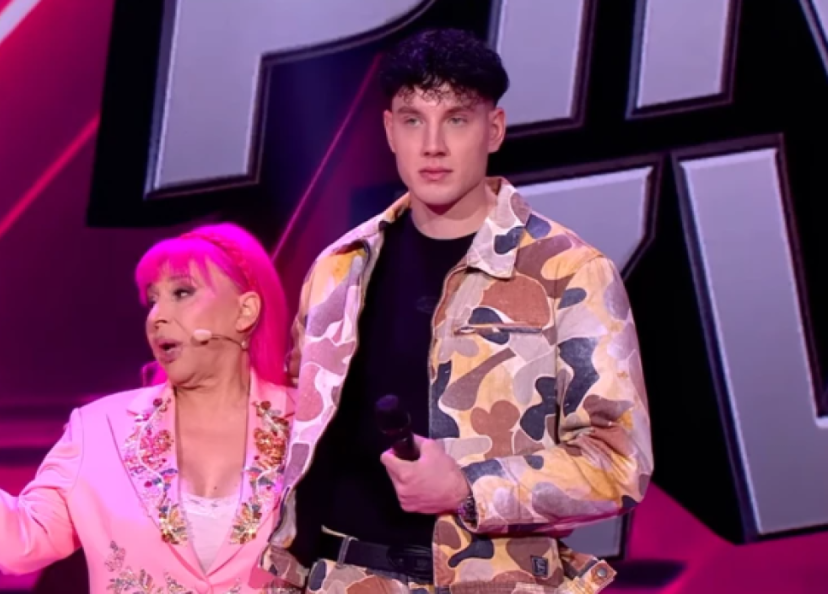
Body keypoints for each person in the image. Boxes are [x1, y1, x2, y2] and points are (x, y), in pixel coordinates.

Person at [258, 29, 654, 594]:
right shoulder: (339, 269)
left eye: (457, 120)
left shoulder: (568, 272)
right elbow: (300, 430)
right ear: (390, 131)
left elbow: (618, 463)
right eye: (413, 120)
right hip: (343, 579)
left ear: (494, 129)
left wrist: (469, 486)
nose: (433, 145)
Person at [0, 223, 297, 594]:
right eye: (152, 300)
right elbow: (20, 540)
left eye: (182, 293)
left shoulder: (309, 427)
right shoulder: (101, 429)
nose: (157, 315)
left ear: (245, 311)